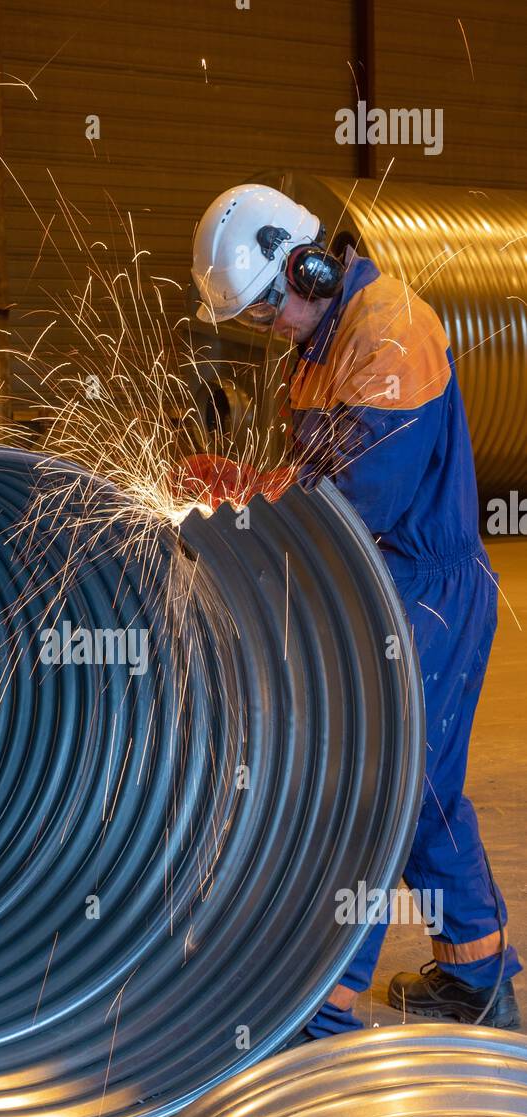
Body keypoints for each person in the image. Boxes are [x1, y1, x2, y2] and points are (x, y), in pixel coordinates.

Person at [186, 182, 520, 1037]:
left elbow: (359, 498)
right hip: (380, 586)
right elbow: (319, 477)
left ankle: (327, 1003)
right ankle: (477, 976)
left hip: (424, 591)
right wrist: (251, 490)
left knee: (377, 791)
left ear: (306, 264)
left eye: (270, 310)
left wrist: (259, 504)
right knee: (429, 788)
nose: (271, 328)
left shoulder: (389, 332)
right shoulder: (322, 340)